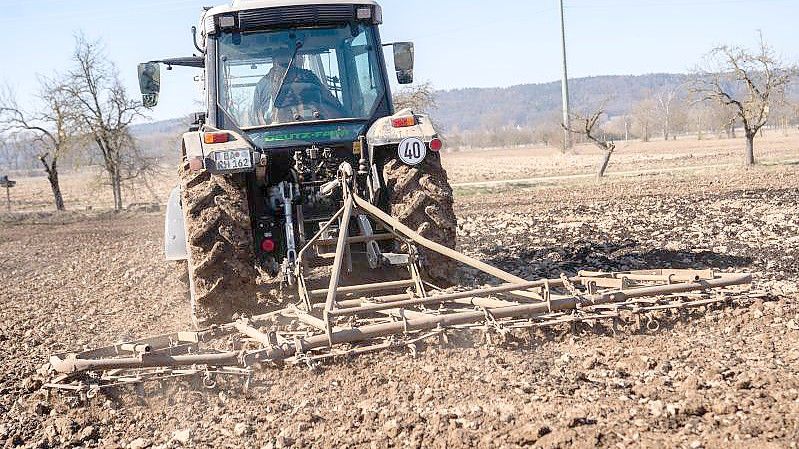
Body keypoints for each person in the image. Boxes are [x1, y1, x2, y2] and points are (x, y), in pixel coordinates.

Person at [252, 50, 344, 125]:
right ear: (274, 60)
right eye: (282, 63)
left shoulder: (309, 78)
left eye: (289, 57)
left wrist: (315, 101)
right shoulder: (263, 85)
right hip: (275, 138)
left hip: (317, 132)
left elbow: (337, 112)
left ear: (296, 58)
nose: (286, 66)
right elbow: (257, 121)